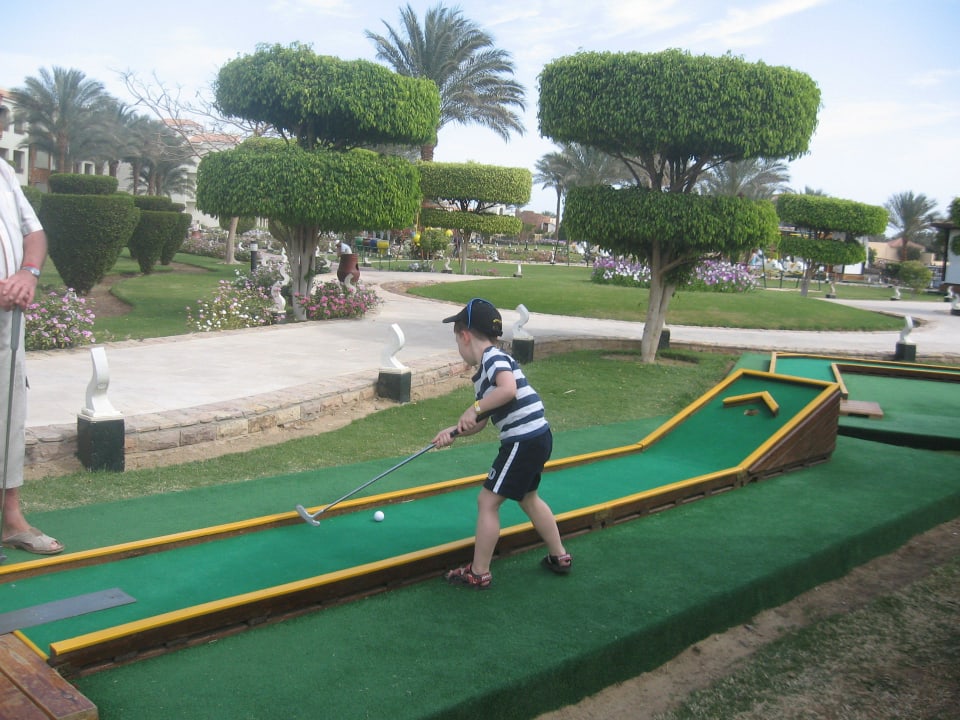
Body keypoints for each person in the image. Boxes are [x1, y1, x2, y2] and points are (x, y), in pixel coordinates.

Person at [432, 298, 570, 589]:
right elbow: (481, 421)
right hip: (538, 436)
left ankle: (479, 572)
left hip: (522, 440)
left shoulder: (493, 358)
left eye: (456, 341)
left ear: (464, 335)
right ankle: (559, 555)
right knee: (528, 498)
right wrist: (454, 432)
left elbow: (508, 390)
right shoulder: (484, 374)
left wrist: (474, 408)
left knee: (487, 502)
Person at [0, 159, 64, 555]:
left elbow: (34, 233)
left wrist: (28, 273)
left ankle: (11, 519)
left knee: (9, 418)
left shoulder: (3, 171)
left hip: (8, 324)